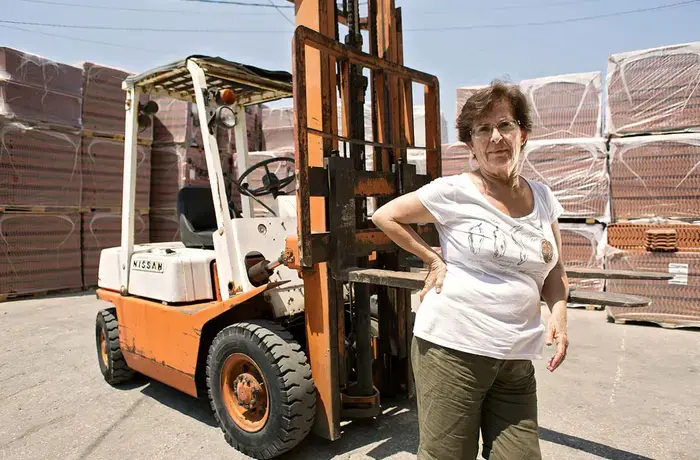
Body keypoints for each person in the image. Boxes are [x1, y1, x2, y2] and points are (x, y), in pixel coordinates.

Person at [371, 80, 569, 460]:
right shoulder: (454, 191)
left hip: (515, 357)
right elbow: (386, 215)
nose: (496, 137)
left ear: (522, 134)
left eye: (505, 125)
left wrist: (558, 310)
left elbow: (555, 267)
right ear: (471, 144)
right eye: (483, 129)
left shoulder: (543, 197)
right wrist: (433, 259)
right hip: (452, 350)